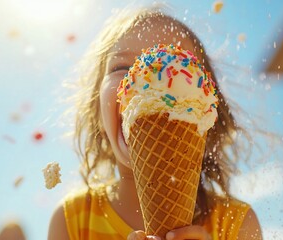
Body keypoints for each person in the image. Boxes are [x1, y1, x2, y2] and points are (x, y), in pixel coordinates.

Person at [48, 7, 262, 240]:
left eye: (176, 65)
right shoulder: (71, 221)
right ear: (97, 111)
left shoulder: (236, 224)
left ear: (210, 114)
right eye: (121, 68)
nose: (143, 78)